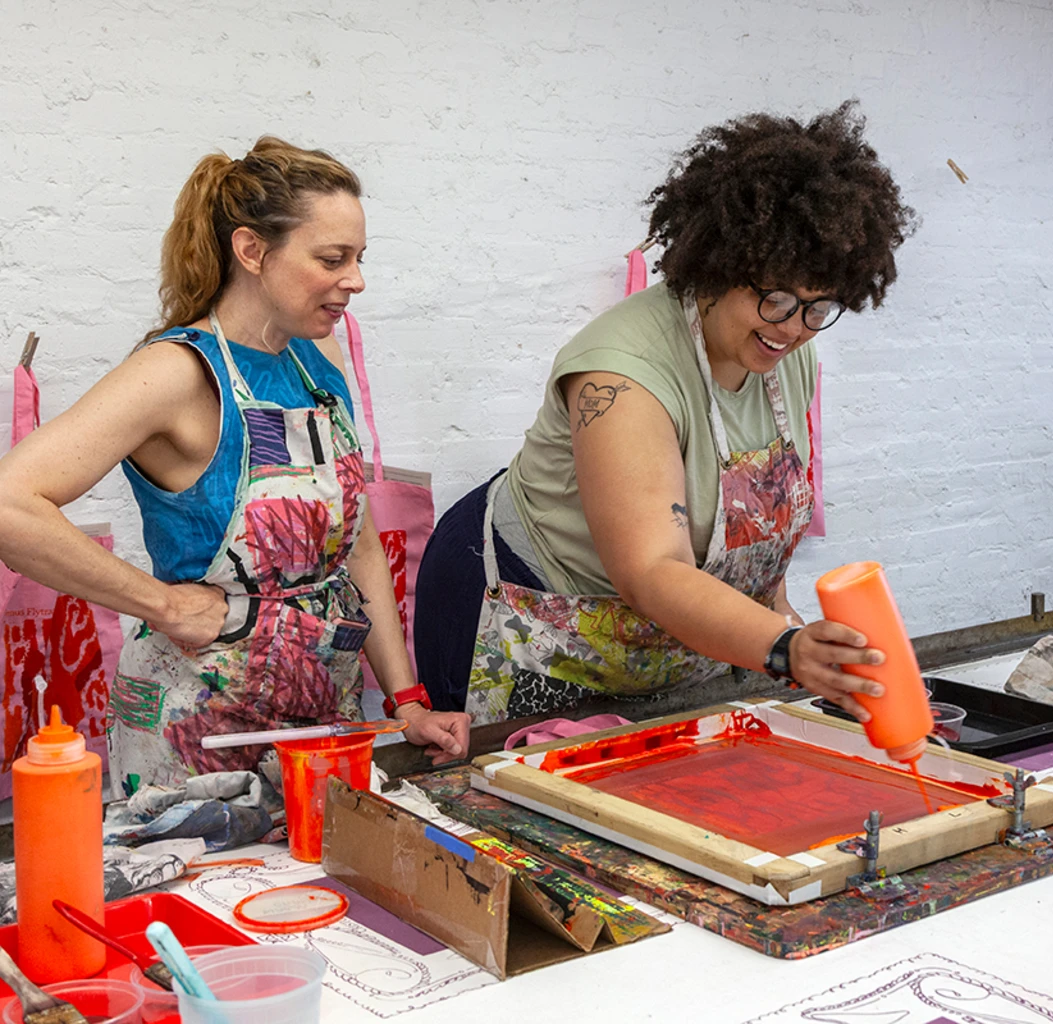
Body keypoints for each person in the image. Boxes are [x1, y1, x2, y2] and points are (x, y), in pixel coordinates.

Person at [415, 104, 915, 725]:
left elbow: (757, 552)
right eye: (777, 299)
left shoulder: (786, 360)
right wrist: (783, 648)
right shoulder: (622, 374)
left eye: (819, 307)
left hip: (658, 646)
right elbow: (652, 570)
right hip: (536, 621)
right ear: (723, 264)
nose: (793, 327)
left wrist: (796, 637)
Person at [0, 137, 469, 793]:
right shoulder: (178, 373)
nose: (356, 279)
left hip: (318, 721)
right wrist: (161, 603)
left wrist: (405, 699)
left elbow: (355, 541)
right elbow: (10, 505)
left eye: (359, 258)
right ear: (251, 251)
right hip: (197, 733)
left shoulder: (318, 360)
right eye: (332, 259)